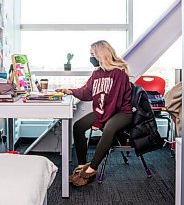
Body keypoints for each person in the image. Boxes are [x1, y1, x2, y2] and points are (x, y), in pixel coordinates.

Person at [56, 40, 133, 187]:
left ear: (101, 54)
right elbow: (87, 92)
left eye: (93, 54)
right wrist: (70, 91)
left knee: (109, 128)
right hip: (103, 111)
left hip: (121, 112)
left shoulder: (119, 74)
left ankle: (91, 169)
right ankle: (82, 165)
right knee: (78, 126)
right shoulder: (96, 73)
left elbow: (114, 102)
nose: (91, 58)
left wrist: (100, 122)